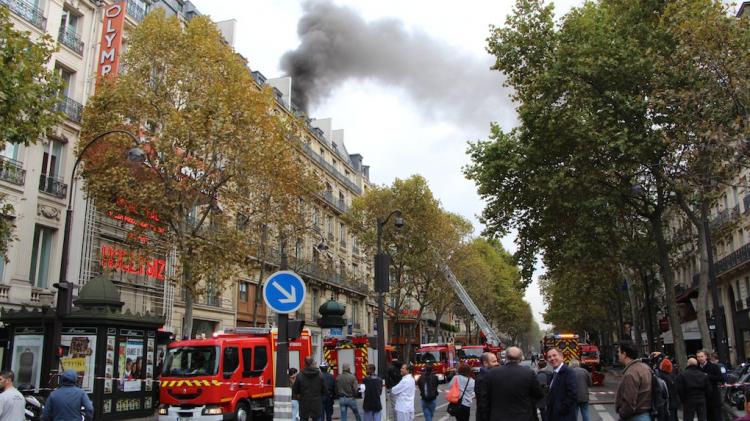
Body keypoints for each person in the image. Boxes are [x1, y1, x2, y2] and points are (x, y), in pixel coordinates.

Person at [481, 346, 542, 421]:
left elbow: (484, 402)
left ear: (506, 357)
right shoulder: (529, 374)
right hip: (524, 417)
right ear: (520, 359)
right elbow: (538, 396)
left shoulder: (491, 374)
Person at [614, 341, 651, 421]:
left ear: (624, 354)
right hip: (645, 414)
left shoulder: (630, 373)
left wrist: (622, 414)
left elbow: (629, 401)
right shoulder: (645, 368)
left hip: (634, 416)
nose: (618, 354)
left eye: (619, 352)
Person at [545, 348, 577, 421]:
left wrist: (560, 410)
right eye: (549, 357)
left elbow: (572, 394)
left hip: (564, 417)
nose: (552, 358)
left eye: (554, 355)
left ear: (561, 357)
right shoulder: (553, 374)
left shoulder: (568, 372)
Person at [292, 357, 327, 421]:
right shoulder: (319, 375)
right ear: (313, 363)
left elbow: (295, 391)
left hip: (304, 404)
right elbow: (325, 390)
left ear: (304, 363)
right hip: (316, 404)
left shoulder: (300, 375)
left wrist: (300, 397)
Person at [697, 350, 723, 421]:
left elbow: (720, 378)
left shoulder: (713, 366)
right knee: (708, 417)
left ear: (706, 357)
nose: (700, 358)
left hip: (714, 396)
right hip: (703, 397)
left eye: (702, 356)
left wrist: (708, 376)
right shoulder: (697, 368)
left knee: (717, 417)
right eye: (698, 357)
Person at [475, 352, 500, 421]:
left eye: (497, 361)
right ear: (485, 363)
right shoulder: (483, 379)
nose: (497, 363)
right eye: (494, 361)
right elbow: (483, 404)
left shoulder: (489, 376)